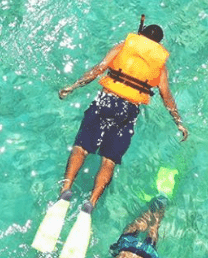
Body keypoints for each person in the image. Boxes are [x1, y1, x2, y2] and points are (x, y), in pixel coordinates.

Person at [57, 20, 188, 213]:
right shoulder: (160, 66)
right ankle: (91, 202)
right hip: (128, 110)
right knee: (109, 160)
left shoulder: (121, 48)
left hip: (106, 100)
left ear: (140, 35)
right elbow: (166, 95)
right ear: (158, 44)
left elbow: (98, 70)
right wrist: (178, 122)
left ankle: (65, 189)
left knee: (81, 148)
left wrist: (73, 86)